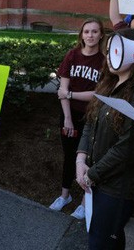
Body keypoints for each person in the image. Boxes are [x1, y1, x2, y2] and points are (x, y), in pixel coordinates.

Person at [74, 28, 134, 249]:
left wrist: (91, 174)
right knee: (108, 236)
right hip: (96, 177)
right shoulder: (108, 84)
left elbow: (127, 148)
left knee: (100, 239)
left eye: (117, 51)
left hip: (118, 187)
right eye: (108, 51)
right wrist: (80, 159)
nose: (110, 56)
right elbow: (90, 123)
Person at [49, 18, 105, 220]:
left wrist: (71, 95)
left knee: (88, 158)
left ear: (100, 35)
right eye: (87, 31)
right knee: (69, 156)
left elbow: (98, 93)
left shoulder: (104, 61)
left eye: (94, 31)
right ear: (81, 35)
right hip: (69, 114)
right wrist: (67, 119)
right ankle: (65, 195)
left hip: (91, 117)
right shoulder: (72, 55)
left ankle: (84, 201)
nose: (90, 35)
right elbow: (63, 89)